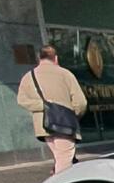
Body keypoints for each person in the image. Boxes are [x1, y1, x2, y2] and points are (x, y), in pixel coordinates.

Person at [17, 44, 88, 174]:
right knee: (64, 161)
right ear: (56, 58)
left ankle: (62, 182)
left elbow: (21, 100)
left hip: (44, 125)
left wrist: (43, 106)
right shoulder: (65, 74)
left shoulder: (28, 76)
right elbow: (81, 102)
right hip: (65, 124)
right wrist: (73, 115)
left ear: (39, 58)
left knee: (60, 157)